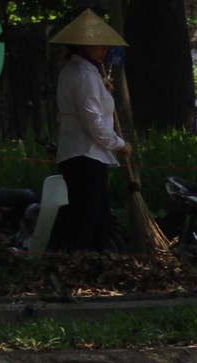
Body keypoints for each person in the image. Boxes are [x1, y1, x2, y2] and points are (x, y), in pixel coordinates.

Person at [47, 9, 129, 252]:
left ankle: (93, 267)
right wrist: (120, 144)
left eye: (105, 46)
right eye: (97, 46)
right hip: (85, 155)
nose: (103, 51)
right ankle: (81, 268)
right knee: (87, 219)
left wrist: (103, 89)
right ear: (82, 46)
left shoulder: (85, 73)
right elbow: (94, 123)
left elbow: (91, 104)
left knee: (99, 218)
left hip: (88, 156)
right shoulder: (82, 75)